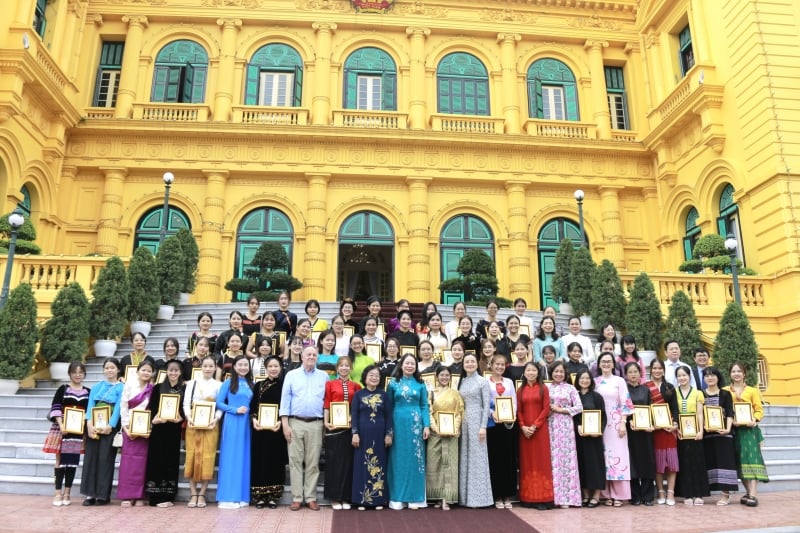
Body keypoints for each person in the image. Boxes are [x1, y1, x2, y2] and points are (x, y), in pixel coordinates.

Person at [280, 345, 327, 511]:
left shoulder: (324, 376)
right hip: (295, 423)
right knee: (295, 461)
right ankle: (297, 497)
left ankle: (311, 497)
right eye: (308, 354)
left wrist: (324, 425)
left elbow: (326, 403)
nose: (311, 357)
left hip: (316, 423)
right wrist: (285, 425)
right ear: (302, 356)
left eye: (314, 355)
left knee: (313, 463)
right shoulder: (291, 375)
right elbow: (285, 401)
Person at [387, 353, 430, 510]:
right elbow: (388, 407)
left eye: (413, 363)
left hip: (416, 425)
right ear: (401, 365)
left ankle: (415, 497)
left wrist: (426, 425)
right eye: (407, 363)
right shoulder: (392, 384)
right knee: (398, 459)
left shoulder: (420, 384)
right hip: (397, 424)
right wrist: (389, 429)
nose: (410, 366)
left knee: (415, 460)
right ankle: (397, 497)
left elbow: (425, 406)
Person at [44, 361, 90, 507]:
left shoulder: (88, 391)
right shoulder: (63, 389)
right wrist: (62, 424)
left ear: (84, 374)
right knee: (59, 462)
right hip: (61, 430)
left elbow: (89, 412)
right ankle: (58, 493)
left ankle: (67, 493)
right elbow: (56, 407)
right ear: (70, 373)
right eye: (75, 372)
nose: (78, 375)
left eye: (81, 372)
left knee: (71, 462)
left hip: (76, 432)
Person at [725, 361, 768, 507]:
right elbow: (723, 410)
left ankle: (753, 495)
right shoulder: (725, 391)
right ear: (730, 374)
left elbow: (759, 410)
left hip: (749, 431)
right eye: (733, 371)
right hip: (734, 430)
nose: (736, 374)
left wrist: (754, 420)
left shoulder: (752, 391)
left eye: (739, 371)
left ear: (744, 374)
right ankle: (749, 492)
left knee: (752, 460)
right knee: (739, 461)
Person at [81, 358, 123, 506]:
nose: (109, 370)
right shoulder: (96, 387)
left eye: (112, 368)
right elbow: (90, 405)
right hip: (94, 426)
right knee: (91, 459)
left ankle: (103, 495)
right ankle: (89, 494)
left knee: (106, 460)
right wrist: (89, 423)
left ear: (118, 369)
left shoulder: (121, 388)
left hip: (109, 428)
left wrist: (111, 425)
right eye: (106, 368)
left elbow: (119, 407)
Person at [351, 365, 394, 510]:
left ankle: (378, 500)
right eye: (371, 375)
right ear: (365, 377)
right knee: (362, 465)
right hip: (362, 436)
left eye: (377, 375)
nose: (374, 377)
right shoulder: (358, 395)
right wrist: (354, 433)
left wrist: (389, 434)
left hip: (379, 436)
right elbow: (354, 416)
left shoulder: (384, 395)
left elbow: (389, 416)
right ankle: (361, 500)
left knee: (379, 466)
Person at [594, 351, 634, 507]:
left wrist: (623, 421)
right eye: (603, 361)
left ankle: (619, 494)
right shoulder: (595, 381)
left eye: (608, 361)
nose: (606, 364)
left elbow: (626, 402)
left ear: (613, 364)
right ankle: (605, 494)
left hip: (617, 424)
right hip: (600, 424)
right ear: (598, 364)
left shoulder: (619, 381)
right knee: (603, 456)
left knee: (619, 456)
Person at [183, 355, 222, 508]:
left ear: (215, 368)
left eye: (210, 366)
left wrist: (216, 419)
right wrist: (189, 417)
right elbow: (186, 404)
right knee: (191, 456)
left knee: (208, 457)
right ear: (201, 367)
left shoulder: (219, 385)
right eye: (205, 366)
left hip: (211, 426)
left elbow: (220, 406)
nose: (207, 369)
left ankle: (203, 493)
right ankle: (193, 493)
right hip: (193, 424)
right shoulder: (192, 384)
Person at [216, 355, 254, 508]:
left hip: (246, 424)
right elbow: (219, 403)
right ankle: (227, 497)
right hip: (232, 421)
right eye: (240, 365)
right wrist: (234, 409)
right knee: (230, 457)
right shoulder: (228, 383)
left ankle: (242, 496)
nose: (243, 367)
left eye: (246, 365)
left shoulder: (252, 384)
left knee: (243, 457)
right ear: (234, 367)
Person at [323, 356, 361, 510]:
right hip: (334, 427)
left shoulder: (356, 386)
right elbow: (326, 404)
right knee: (333, 463)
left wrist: (353, 418)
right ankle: (334, 497)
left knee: (348, 463)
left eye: (347, 366)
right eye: (341, 366)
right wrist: (326, 422)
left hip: (350, 428)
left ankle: (346, 497)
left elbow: (357, 406)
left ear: (351, 369)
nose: (344, 368)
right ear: (337, 368)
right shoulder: (330, 384)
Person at [145, 359, 184, 507]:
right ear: (166, 372)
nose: (173, 373)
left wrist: (181, 418)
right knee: (156, 460)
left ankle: (168, 496)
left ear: (180, 372)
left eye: (176, 370)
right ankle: (154, 497)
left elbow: (185, 410)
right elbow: (153, 408)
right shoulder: (158, 388)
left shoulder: (184, 389)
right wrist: (155, 419)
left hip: (173, 430)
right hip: (159, 430)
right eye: (171, 370)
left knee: (170, 461)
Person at [249, 355, 287, 509]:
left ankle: (273, 496)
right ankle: (259, 496)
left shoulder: (285, 385)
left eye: (276, 366)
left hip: (277, 429)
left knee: (275, 461)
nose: (273, 369)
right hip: (260, 429)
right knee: (260, 460)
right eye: (270, 366)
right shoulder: (258, 385)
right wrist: (254, 419)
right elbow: (253, 406)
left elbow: (287, 406)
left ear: (280, 368)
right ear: (266, 368)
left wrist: (280, 421)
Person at [457, 352, 493, 508]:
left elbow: (486, 406)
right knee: (464, 458)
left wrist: (483, 426)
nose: (470, 364)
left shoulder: (482, 381)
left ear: (477, 364)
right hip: (463, 422)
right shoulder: (461, 382)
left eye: (472, 361)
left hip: (477, 421)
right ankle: (464, 498)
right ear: (463, 364)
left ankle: (479, 499)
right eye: (467, 362)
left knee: (477, 459)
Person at [426, 366, 464, 511]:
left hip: (451, 433)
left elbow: (459, 412)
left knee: (449, 465)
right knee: (435, 464)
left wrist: (454, 428)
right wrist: (436, 428)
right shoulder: (431, 393)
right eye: (441, 375)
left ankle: (446, 498)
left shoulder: (455, 393)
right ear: (436, 376)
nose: (444, 378)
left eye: (447, 375)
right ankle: (437, 496)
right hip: (436, 434)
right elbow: (428, 411)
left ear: (450, 377)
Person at [118, 359, 155, 507]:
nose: (146, 372)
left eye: (149, 370)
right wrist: (126, 426)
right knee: (128, 462)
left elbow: (154, 410)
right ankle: (127, 495)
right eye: (143, 370)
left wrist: (149, 428)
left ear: (152, 373)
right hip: (130, 429)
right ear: (137, 371)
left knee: (142, 462)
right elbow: (123, 406)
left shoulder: (152, 389)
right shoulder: (129, 386)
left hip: (145, 430)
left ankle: (139, 495)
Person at [517, 361, 554, 509]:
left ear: (538, 373)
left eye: (533, 370)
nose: (531, 373)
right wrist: (523, 426)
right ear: (524, 373)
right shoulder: (520, 390)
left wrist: (534, 426)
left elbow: (546, 409)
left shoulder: (543, 388)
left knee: (541, 462)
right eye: (528, 370)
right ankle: (528, 498)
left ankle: (543, 499)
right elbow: (519, 410)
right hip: (525, 432)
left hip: (540, 430)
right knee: (527, 463)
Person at [547, 361, 583, 508]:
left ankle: (568, 498)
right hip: (550, 426)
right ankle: (554, 497)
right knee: (553, 460)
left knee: (567, 461)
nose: (558, 374)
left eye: (561, 371)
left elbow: (579, 407)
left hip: (566, 426)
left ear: (565, 373)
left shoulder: (571, 388)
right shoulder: (546, 387)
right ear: (551, 372)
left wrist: (561, 410)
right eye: (556, 371)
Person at [701, 366, 738, 505]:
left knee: (725, 463)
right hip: (708, 435)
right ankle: (710, 492)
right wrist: (703, 427)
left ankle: (725, 494)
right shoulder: (701, 394)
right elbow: (699, 414)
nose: (709, 378)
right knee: (711, 462)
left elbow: (729, 412)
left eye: (712, 375)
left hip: (724, 434)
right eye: (706, 376)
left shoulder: (725, 394)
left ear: (718, 377)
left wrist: (728, 429)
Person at [645, 358, 680, 506]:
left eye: (660, 368)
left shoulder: (670, 387)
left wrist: (675, 424)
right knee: (658, 462)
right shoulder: (645, 387)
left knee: (672, 461)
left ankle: (670, 492)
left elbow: (675, 408)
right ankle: (660, 491)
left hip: (668, 429)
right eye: (655, 368)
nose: (657, 371)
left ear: (663, 370)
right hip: (654, 430)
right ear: (650, 370)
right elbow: (644, 408)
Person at [674, 365, 709, 505]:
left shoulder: (697, 393)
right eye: (679, 376)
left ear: (689, 376)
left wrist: (701, 430)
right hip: (680, 433)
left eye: (684, 375)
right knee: (684, 463)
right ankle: (687, 494)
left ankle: (699, 494)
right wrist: (676, 428)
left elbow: (700, 413)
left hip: (695, 432)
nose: (682, 378)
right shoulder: (674, 392)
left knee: (697, 462)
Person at [486, 354, 517, 509]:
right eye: (496, 364)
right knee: (495, 461)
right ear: (491, 365)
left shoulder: (509, 382)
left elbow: (514, 402)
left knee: (508, 461)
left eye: (502, 364)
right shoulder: (486, 382)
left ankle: (507, 495)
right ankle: (497, 495)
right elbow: (484, 403)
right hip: (493, 425)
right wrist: (492, 413)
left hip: (508, 426)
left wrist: (511, 416)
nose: (499, 367)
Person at [573, 369, 606, 508]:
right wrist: (577, 427)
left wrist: (599, 431)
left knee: (595, 465)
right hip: (580, 437)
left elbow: (603, 416)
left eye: (587, 378)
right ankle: (585, 495)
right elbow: (572, 415)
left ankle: (596, 496)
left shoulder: (597, 397)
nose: (584, 381)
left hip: (594, 437)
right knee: (582, 464)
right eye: (582, 378)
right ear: (577, 380)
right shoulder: (574, 396)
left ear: (591, 381)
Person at [624, 362, 656, 506]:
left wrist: (650, 424)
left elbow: (650, 408)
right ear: (626, 374)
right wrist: (629, 421)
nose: (633, 374)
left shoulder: (646, 390)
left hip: (645, 432)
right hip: (630, 431)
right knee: (633, 462)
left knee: (647, 462)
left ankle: (648, 496)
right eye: (630, 372)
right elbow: (623, 409)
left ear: (640, 373)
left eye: (635, 371)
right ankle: (635, 495)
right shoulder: (624, 390)